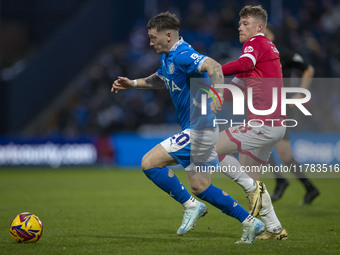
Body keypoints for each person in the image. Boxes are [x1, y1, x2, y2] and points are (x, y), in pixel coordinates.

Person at [112, 11, 264, 244]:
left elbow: (213, 66)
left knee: (149, 163)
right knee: (200, 186)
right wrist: (132, 83)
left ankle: (191, 206)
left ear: (169, 35)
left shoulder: (183, 54)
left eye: (154, 38)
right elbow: (161, 78)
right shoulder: (168, 56)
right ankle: (250, 222)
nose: (151, 42)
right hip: (199, 128)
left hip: (198, 129)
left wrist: (218, 93)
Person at [212, 5, 288, 240]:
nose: (240, 27)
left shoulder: (257, 43)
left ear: (259, 27)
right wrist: (207, 95)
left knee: (212, 149)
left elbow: (243, 65)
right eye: (240, 23)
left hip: (263, 124)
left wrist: (213, 70)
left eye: (245, 23)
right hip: (274, 126)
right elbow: (231, 91)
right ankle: (275, 229)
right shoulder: (258, 57)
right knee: (250, 177)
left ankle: (253, 189)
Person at [265, 25, 320, 204]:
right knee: (279, 151)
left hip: (281, 106)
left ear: (271, 35)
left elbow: (308, 68)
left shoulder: (283, 53)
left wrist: (301, 92)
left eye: (263, 33)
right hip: (264, 106)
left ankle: (284, 182)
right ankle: (307, 187)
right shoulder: (257, 55)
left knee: (281, 153)